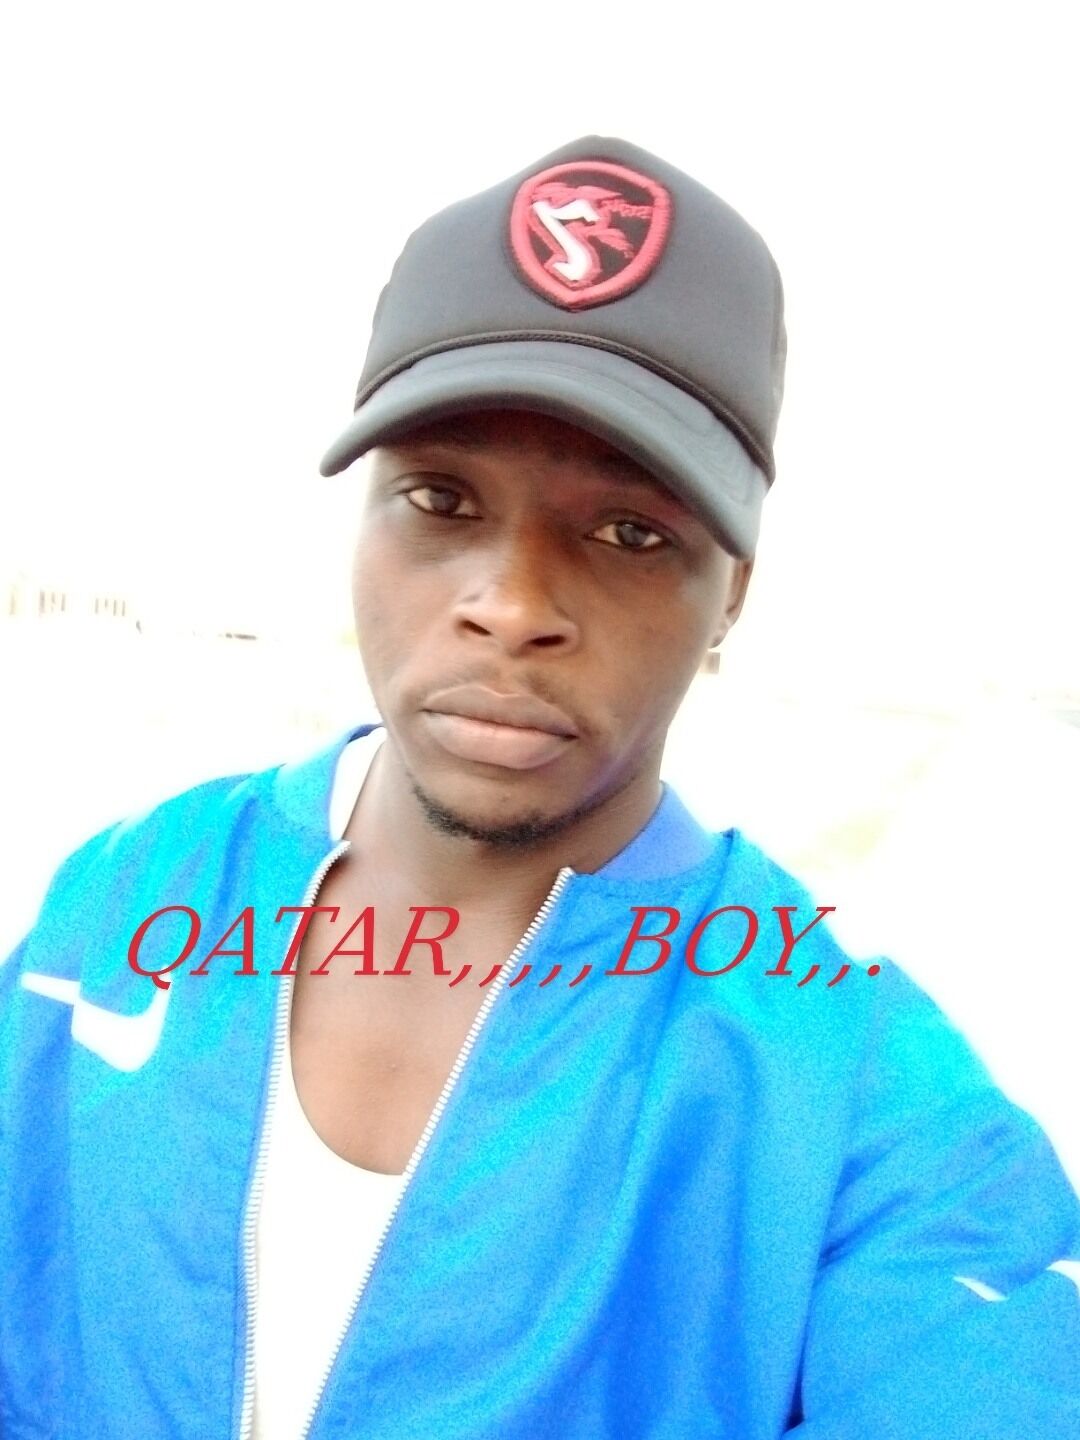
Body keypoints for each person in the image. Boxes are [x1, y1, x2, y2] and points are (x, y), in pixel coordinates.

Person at [1, 135, 1077, 1440]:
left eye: (630, 532)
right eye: (441, 499)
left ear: (731, 593)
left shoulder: (859, 1100)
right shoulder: (121, 901)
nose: (511, 606)